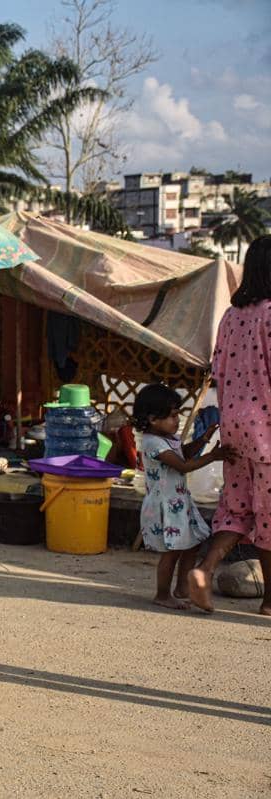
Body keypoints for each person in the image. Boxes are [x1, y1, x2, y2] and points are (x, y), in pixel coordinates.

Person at [188, 235, 271, 615]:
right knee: (268, 515)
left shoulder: (231, 316)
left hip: (234, 424)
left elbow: (217, 371)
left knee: (237, 507)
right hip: (266, 429)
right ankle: (269, 601)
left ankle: (204, 569)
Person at [132, 383, 233, 610]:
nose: (177, 420)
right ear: (153, 419)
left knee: (193, 542)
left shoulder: (168, 438)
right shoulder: (152, 442)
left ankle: (182, 587)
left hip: (178, 502)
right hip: (166, 506)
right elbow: (183, 465)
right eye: (172, 416)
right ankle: (162, 594)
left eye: (178, 414)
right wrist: (212, 456)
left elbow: (183, 453)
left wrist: (203, 439)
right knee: (172, 552)